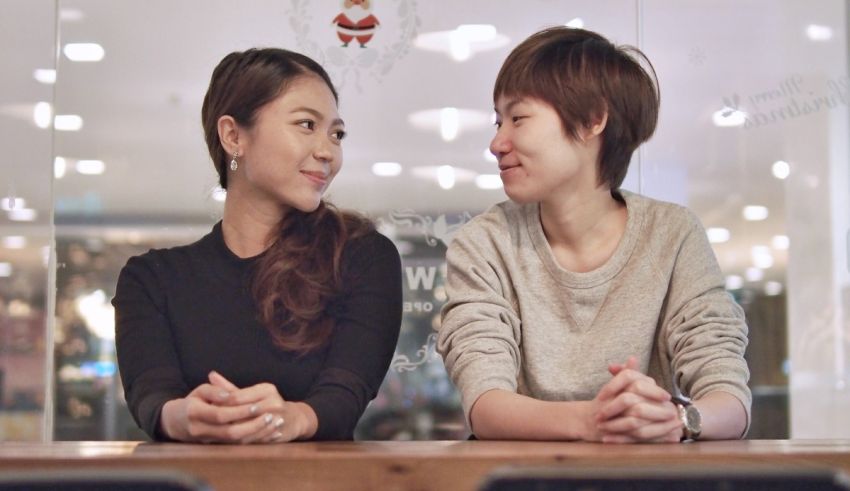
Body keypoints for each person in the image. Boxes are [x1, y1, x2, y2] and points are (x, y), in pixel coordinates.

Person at [437, 27, 750, 443]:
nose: (497, 142)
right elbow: (485, 404)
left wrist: (678, 420)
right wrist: (596, 420)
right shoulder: (484, 243)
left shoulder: (672, 234)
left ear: (592, 120)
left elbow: (728, 393)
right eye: (498, 121)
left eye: (518, 118)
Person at [113, 48, 402, 443]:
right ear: (233, 135)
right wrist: (184, 417)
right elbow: (152, 397)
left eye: (336, 133)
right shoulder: (151, 280)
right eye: (306, 125)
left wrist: (294, 417)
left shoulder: (362, 257)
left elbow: (344, 394)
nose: (328, 151)